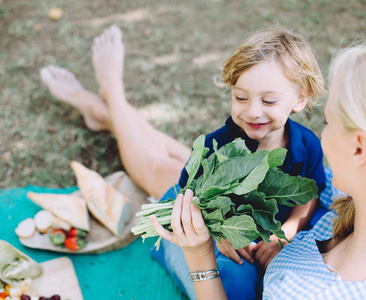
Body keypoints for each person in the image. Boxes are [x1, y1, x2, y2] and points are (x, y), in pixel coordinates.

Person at [40, 25, 329, 299]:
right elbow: (191, 198)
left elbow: (310, 191)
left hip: (265, 238)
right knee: (158, 167)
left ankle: (110, 111)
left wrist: (287, 232)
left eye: (268, 102)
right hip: (218, 228)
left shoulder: (306, 144)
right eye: (240, 97)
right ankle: (112, 97)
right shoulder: (224, 142)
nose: (253, 112)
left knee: (169, 162)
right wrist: (219, 235)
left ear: (300, 99)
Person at [151, 42, 366, 299]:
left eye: (328, 122)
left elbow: (309, 193)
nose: (321, 134)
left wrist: (199, 257)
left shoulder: (296, 290)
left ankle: (115, 107)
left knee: (159, 170)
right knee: (168, 166)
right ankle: (115, 109)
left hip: (243, 252)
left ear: (359, 148)